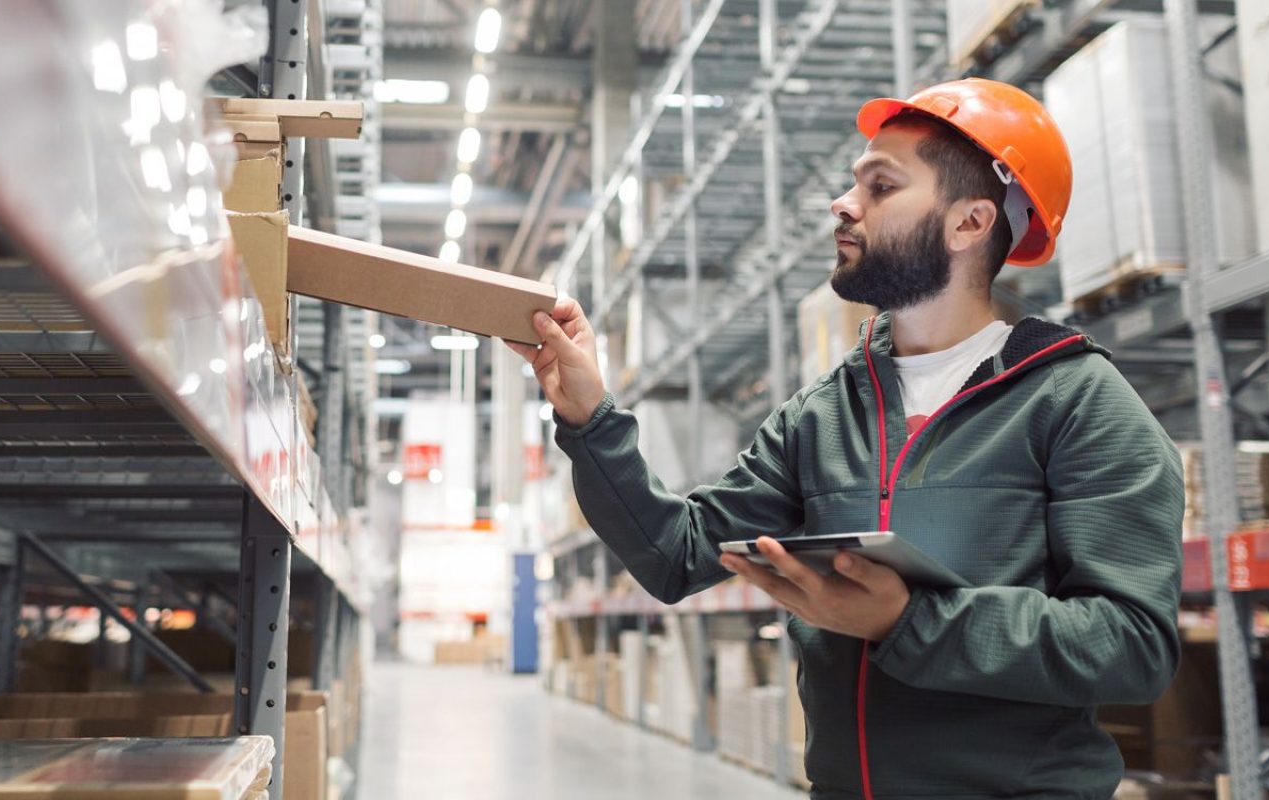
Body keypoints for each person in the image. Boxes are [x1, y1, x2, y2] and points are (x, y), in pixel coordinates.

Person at [507, 78, 1183, 799]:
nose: (843, 202)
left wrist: (908, 620)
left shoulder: (1075, 399)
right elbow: (676, 555)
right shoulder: (822, 415)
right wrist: (590, 419)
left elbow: (1132, 645)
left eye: (881, 185)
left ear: (969, 224)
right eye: (854, 182)